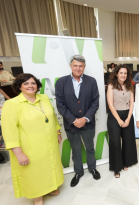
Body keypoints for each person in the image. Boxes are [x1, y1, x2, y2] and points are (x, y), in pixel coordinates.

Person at [2, 74, 64, 205]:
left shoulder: (44, 98)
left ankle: (50, 187)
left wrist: (58, 131)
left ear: (37, 85)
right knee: (34, 171)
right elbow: (9, 131)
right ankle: (37, 196)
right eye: (26, 83)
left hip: (49, 141)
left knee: (49, 165)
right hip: (29, 146)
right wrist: (18, 153)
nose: (30, 86)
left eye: (33, 83)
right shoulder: (12, 104)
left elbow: (51, 116)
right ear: (19, 86)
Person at [55, 55, 100, 187]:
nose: (78, 68)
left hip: (88, 123)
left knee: (90, 148)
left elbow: (95, 102)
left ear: (84, 67)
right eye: (75, 65)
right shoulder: (61, 82)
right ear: (71, 66)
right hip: (71, 124)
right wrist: (74, 120)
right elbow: (60, 105)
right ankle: (78, 172)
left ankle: (92, 168)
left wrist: (85, 119)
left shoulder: (91, 81)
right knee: (75, 150)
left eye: (81, 66)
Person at [106, 64, 138, 178]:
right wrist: (119, 120)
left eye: (125, 73)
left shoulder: (130, 85)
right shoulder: (111, 86)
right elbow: (110, 104)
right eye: (121, 73)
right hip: (115, 115)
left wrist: (129, 118)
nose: (123, 75)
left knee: (127, 141)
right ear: (116, 74)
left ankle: (126, 162)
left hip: (127, 114)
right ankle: (116, 167)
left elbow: (132, 103)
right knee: (115, 142)